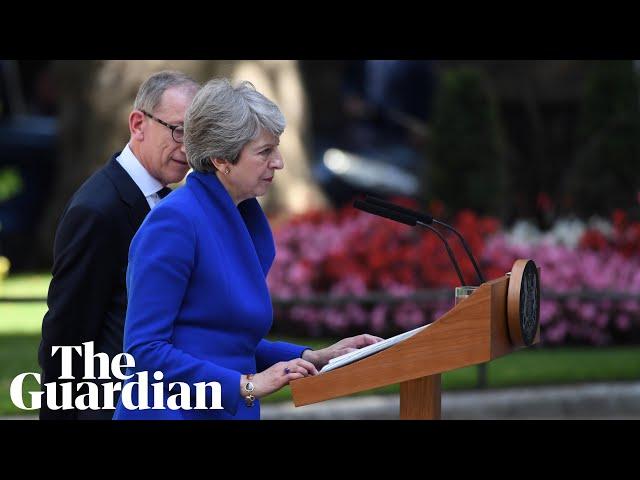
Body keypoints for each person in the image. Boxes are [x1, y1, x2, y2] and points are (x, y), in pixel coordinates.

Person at [113, 78, 382, 420]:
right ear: (222, 160)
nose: (280, 162)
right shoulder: (175, 223)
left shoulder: (240, 217)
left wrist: (313, 355)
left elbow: (225, 341)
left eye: (277, 148)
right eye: (265, 151)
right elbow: (144, 351)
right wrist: (246, 384)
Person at [38, 70, 200, 420]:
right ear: (138, 124)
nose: (188, 148)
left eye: (197, 136)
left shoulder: (165, 201)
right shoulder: (98, 210)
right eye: (178, 130)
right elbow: (66, 334)